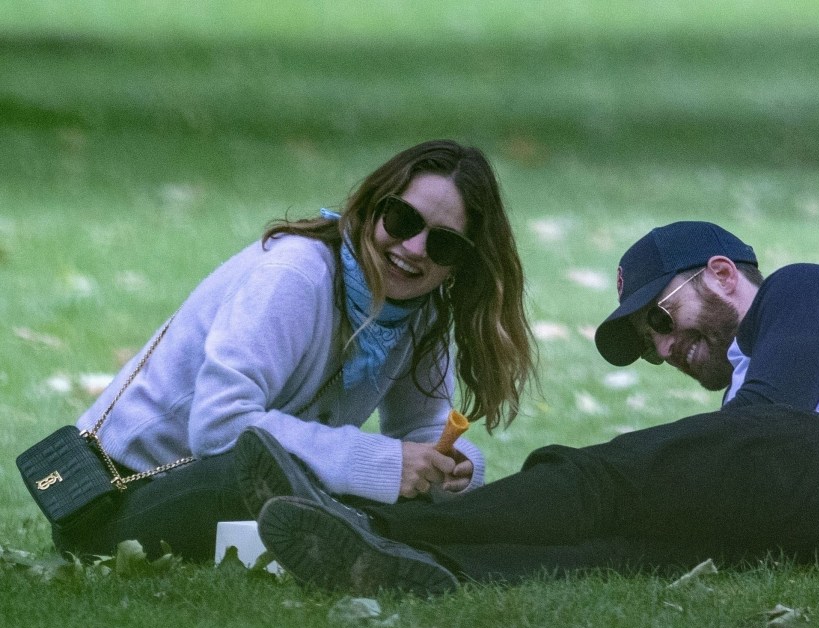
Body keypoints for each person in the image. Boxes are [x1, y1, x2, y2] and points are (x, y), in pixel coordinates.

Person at [246, 220, 819, 597]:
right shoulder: (746, 387)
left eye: (662, 315)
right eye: (651, 344)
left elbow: (773, 422)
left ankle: (366, 520)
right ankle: (416, 566)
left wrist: (641, 465)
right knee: (617, 553)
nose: (666, 346)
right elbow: (757, 435)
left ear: (720, 273)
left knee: (599, 480)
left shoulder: (803, 287)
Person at [49, 139, 536, 561]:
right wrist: (383, 464)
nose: (413, 249)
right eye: (403, 219)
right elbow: (219, 430)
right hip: (116, 499)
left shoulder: (420, 310)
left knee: (355, 497)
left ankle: (392, 552)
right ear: (372, 208)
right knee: (313, 488)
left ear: (460, 265)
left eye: (444, 245)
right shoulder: (296, 276)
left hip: (238, 485)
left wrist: (456, 467)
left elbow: (420, 429)